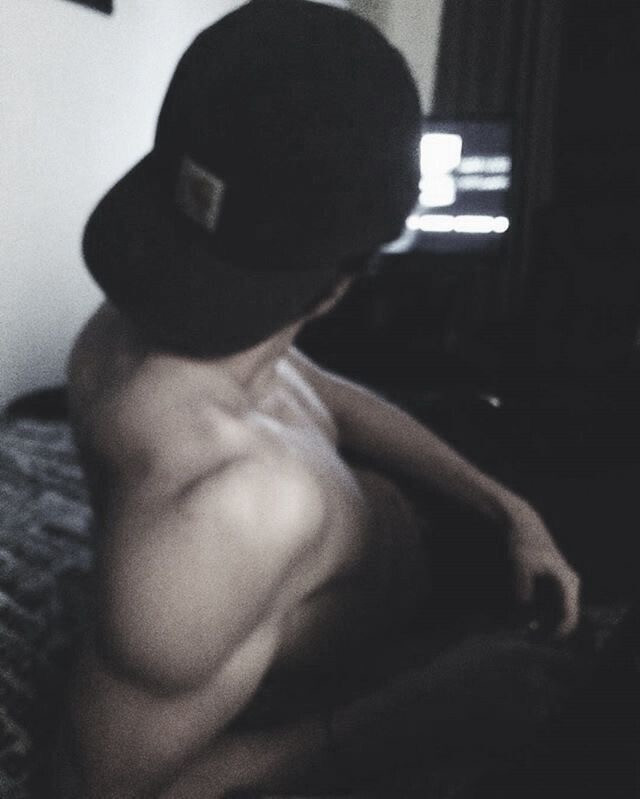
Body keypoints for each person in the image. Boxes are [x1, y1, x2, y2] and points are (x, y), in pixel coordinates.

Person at [55, 1, 581, 796]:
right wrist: (426, 703)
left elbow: (320, 391)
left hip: (412, 520)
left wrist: (508, 508)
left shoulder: (156, 307)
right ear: (345, 281)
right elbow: (102, 789)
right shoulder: (212, 519)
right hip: (408, 609)